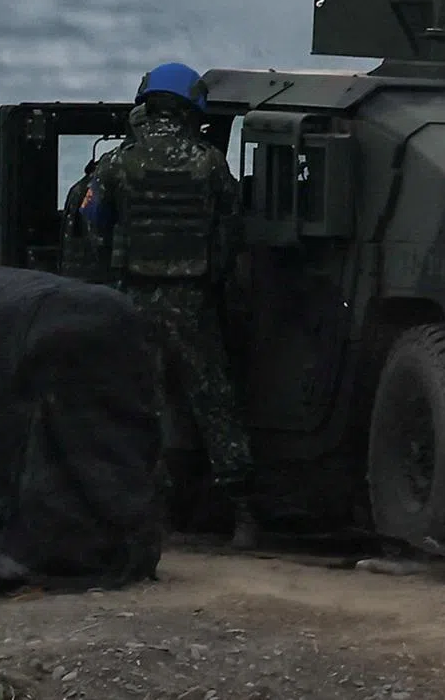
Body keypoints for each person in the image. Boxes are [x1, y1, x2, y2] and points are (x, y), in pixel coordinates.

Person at [80, 62, 259, 550]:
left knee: (140, 405)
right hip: (192, 299)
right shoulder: (209, 163)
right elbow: (230, 233)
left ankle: (145, 513)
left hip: (133, 298)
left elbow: (93, 224)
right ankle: (242, 515)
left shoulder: (119, 163)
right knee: (214, 403)